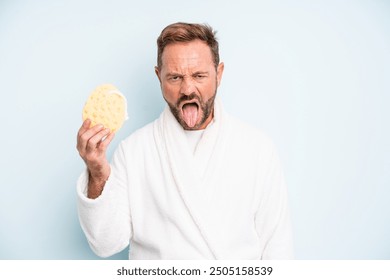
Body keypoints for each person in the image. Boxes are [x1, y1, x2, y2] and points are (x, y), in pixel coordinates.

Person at [76, 22, 294, 259]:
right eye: (175, 77)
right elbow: (105, 243)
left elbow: (278, 248)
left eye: (199, 75)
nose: (187, 89)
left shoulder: (257, 149)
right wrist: (97, 172)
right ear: (159, 77)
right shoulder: (134, 152)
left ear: (218, 74)